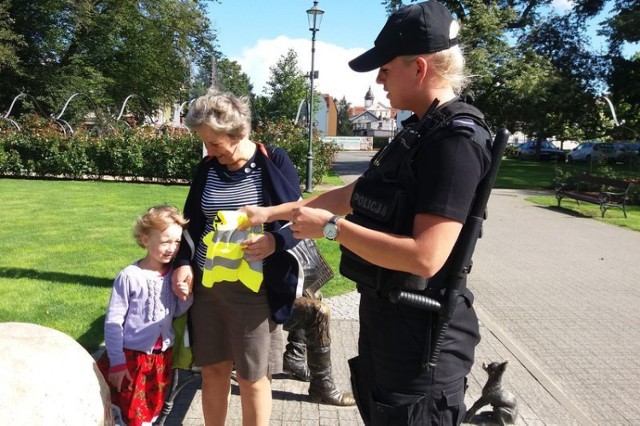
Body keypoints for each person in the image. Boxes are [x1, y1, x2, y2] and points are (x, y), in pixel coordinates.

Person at [240, 1, 493, 424]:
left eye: (386, 68)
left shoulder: (454, 142)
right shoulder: (416, 132)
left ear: (420, 68)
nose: (379, 79)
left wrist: (332, 231)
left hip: (422, 343)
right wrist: (269, 214)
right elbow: (345, 196)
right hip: (389, 322)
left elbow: (426, 256)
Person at [171, 89, 304, 426]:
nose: (210, 151)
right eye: (205, 144)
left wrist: (275, 240)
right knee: (213, 371)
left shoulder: (273, 160)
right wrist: (183, 263)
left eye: (215, 143)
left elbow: (299, 218)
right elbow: (191, 223)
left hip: (253, 291)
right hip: (207, 288)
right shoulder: (208, 168)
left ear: (238, 132)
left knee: (251, 377)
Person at [98, 205, 193, 426]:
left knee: (152, 410)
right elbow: (113, 323)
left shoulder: (171, 274)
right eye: (165, 241)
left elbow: (175, 312)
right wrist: (117, 362)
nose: (172, 248)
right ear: (145, 239)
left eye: (177, 242)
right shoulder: (130, 276)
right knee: (132, 413)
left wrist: (185, 296)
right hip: (132, 359)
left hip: (160, 359)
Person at [283, 292, 356, 406]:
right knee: (319, 311)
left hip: (270, 291)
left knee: (312, 294)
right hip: (261, 300)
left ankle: (295, 356)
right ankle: (322, 387)